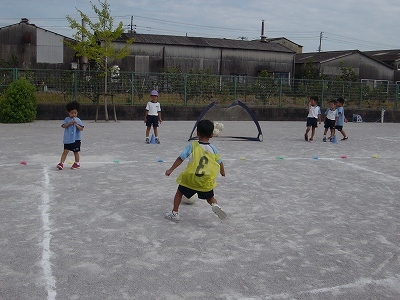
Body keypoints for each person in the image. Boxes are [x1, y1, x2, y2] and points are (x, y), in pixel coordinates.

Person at [165, 119, 226, 222]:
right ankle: (215, 205)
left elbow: (180, 158)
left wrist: (170, 170)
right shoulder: (213, 149)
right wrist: (222, 171)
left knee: (179, 193)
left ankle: (174, 213)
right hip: (205, 180)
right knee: (210, 198)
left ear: (197, 133)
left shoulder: (192, 146)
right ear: (212, 135)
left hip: (191, 178)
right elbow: (220, 162)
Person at [56, 101, 84, 170]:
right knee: (65, 151)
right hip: (68, 139)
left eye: (75, 113)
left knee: (76, 152)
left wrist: (76, 124)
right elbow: (63, 126)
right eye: (72, 113)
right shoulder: (67, 119)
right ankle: (61, 163)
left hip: (76, 139)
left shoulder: (78, 120)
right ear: (68, 112)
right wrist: (69, 123)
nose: (74, 115)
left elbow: (81, 128)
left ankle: (77, 163)